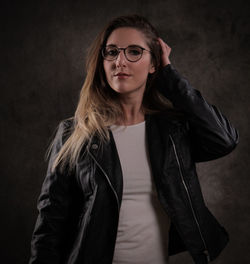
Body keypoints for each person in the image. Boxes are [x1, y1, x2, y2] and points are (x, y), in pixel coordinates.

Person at [29, 14, 239, 264]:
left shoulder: (173, 132)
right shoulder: (73, 134)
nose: (120, 61)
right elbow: (50, 226)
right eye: (112, 52)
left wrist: (170, 76)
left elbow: (224, 139)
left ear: (154, 64)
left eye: (134, 52)